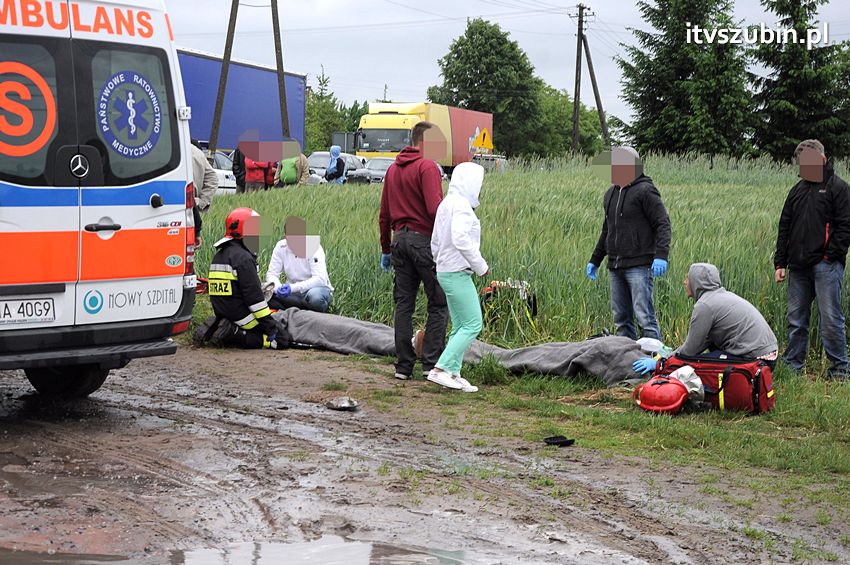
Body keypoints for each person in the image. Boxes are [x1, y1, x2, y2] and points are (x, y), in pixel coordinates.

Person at [774, 139, 850, 379]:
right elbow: (784, 226)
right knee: (796, 319)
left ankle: (840, 369)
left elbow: (846, 226)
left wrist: (830, 256)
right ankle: (793, 366)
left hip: (826, 266)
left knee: (830, 319)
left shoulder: (839, 188)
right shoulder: (797, 190)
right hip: (797, 266)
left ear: (822, 159)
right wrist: (780, 262)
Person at [379, 121, 448, 380]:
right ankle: (431, 364)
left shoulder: (392, 170)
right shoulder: (427, 167)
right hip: (423, 241)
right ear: (424, 141)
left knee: (404, 305)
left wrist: (386, 248)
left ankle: (403, 367)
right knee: (439, 302)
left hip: (399, 241)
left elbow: (384, 215)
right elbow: (435, 210)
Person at [586, 146, 671, 340]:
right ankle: (627, 362)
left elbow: (663, 224)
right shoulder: (610, 194)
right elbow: (606, 231)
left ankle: (655, 364)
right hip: (615, 266)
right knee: (621, 320)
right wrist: (595, 260)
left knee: (645, 318)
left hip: (639, 266)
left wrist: (661, 256)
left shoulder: (645, 190)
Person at [632, 263, 778, 374]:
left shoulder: (705, 305)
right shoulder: (722, 296)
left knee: (696, 365)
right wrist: (670, 356)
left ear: (697, 282)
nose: (685, 282)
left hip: (756, 361)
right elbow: (704, 342)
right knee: (704, 355)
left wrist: (659, 363)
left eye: (688, 278)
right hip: (769, 357)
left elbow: (689, 351)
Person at [426, 162, 488, 393]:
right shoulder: (461, 206)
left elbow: (435, 239)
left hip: (445, 269)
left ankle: (453, 371)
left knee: (460, 324)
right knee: (473, 323)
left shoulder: (447, 203)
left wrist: (439, 260)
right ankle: (440, 369)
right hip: (456, 272)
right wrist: (481, 266)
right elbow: (461, 238)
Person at [208, 208, 283, 349]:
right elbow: (254, 299)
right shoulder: (243, 258)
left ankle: (223, 328)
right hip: (242, 317)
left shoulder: (220, 255)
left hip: (223, 312)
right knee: (281, 339)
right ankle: (233, 334)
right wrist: (271, 328)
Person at [266, 219, 334, 313]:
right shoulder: (280, 247)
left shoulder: (314, 247)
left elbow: (319, 279)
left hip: (315, 289)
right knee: (266, 294)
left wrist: (292, 288)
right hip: (293, 293)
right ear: (286, 236)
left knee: (315, 298)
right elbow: (272, 274)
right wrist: (278, 288)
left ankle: (316, 312)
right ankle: (300, 310)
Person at [190, 140, 218, 213]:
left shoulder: (166, 149)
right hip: (192, 207)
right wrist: (201, 202)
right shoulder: (197, 153)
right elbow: (213, 178)